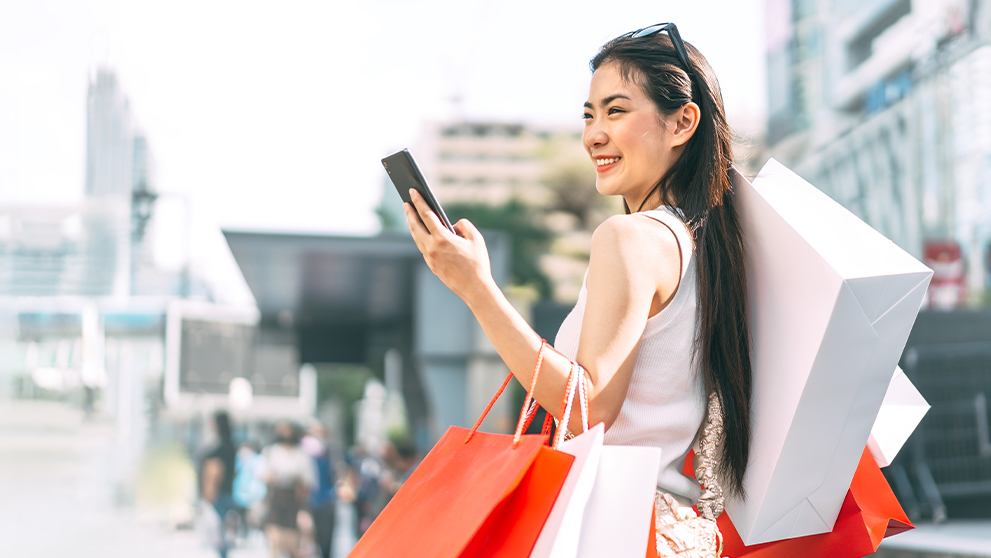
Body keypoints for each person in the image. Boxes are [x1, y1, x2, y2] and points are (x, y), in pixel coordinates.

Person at [402, 22, 751, 556]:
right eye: (589, 115)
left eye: (616, 111)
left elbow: (586, 408)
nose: (593, 135)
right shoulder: (709, 247)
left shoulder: (630, 238)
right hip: (670, 530)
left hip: (613, 530)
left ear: (683, 122)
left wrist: (476, 288)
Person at [259, 421, 317, 558]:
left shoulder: (302, 455)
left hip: (294, 500)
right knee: (275, 540)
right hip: (276, 498)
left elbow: (309, 480)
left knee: (293, 544)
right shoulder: (271, 452)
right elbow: (263, 475)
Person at [200, 410, 238, 558]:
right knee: (224, 534)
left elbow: (215, 472)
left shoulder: (219, 447)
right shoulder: (231, 445)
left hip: (218, 494)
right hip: (228, 492)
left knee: (217, 534)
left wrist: (208, 494)